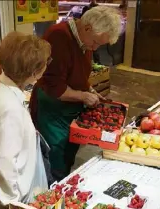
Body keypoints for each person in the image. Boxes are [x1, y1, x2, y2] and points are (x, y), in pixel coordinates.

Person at [30, 6, 122, 181]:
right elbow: (53, 84)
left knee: (69, 153)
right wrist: (83, 96)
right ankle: (52, 194)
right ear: (87, 27)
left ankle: (63, 183)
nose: (94, 48)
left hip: (70, 108)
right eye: (95, 42)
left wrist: (90, 90)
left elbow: (78, 74)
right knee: (55, 156)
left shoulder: (84, 40)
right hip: (52, 109)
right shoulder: (58, 36)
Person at [0, 31, 51, 209]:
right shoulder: (11, 109)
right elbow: (4, 164)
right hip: (9, 195)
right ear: (34, 73)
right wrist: (15, 206)